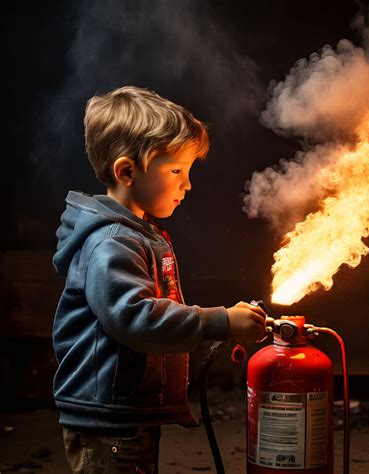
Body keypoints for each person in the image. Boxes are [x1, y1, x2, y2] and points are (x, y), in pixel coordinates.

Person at [52, 85, 267, 473]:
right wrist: (219, 321)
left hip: (129, 412)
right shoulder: (112, 244)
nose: (187, 184)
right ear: (127, 171)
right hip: (109, 419)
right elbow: (137, 319)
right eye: (176, 170)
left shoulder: (138, 235)